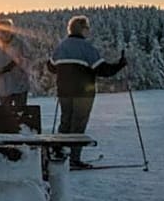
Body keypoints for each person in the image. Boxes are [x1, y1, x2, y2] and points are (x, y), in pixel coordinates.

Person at [47, 15, 127, 168]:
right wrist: (120, 65)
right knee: (78, 125)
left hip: (64, 91)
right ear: (82, 29)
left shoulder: (61, 46)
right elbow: (103, 70)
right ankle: (74, 160)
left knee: (65, 123)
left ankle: (59, 156)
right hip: (83, 93)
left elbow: (50, 67)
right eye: (87, 28)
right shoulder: (87, 48)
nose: (88, 31)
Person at [0, 19, 31, 108]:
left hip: (19, 86)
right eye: (2, 30)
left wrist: (14, 64)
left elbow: (27, 61)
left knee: (20, 115)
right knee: (4, 117)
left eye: (7, 30)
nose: (5, 33)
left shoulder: (20, 44)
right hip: (3, 88)